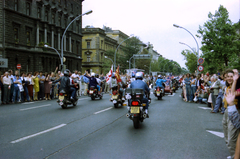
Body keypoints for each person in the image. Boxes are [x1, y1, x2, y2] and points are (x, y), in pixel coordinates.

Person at [222, 69, 239, 159]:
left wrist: (235, 80)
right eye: (227, 76)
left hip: (234, 111)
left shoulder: (237, 86)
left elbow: (232, 95)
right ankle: (233, 154)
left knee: (232, 137)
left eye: (231, 76)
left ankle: (235, 156)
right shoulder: (227, 86)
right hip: (227, 110)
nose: (229, 78)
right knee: (226, 134)